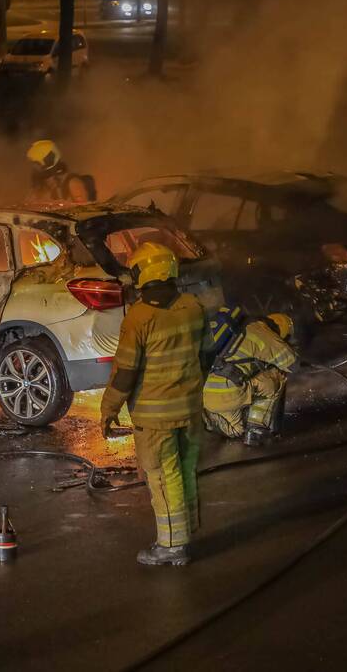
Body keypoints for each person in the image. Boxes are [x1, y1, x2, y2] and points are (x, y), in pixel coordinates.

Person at [100, 242, 210, 566]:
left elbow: (125, 373)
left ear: (141, 273)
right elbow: (207, 354)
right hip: (189, 409)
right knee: (186, 471)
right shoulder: (193, 306)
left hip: (154, 418)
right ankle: (186, 531)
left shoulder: (139, 317)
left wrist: (108, 409)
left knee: (163, 477)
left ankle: (172, 546)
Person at [203, 308, 298, 446]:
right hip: (229, 394)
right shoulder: (264, 333)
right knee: (276, 377)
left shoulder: (240, 328)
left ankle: (210, 418)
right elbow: (292, 364)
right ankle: (256, 430)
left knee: (237, 430)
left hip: (206, 394)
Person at [25, 139, 97, 203]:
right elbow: (28, 205)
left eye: (36, 164)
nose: (35, 169)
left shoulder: (72, 183)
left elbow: (83, 211)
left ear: (48, 160)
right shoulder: (40, 186)